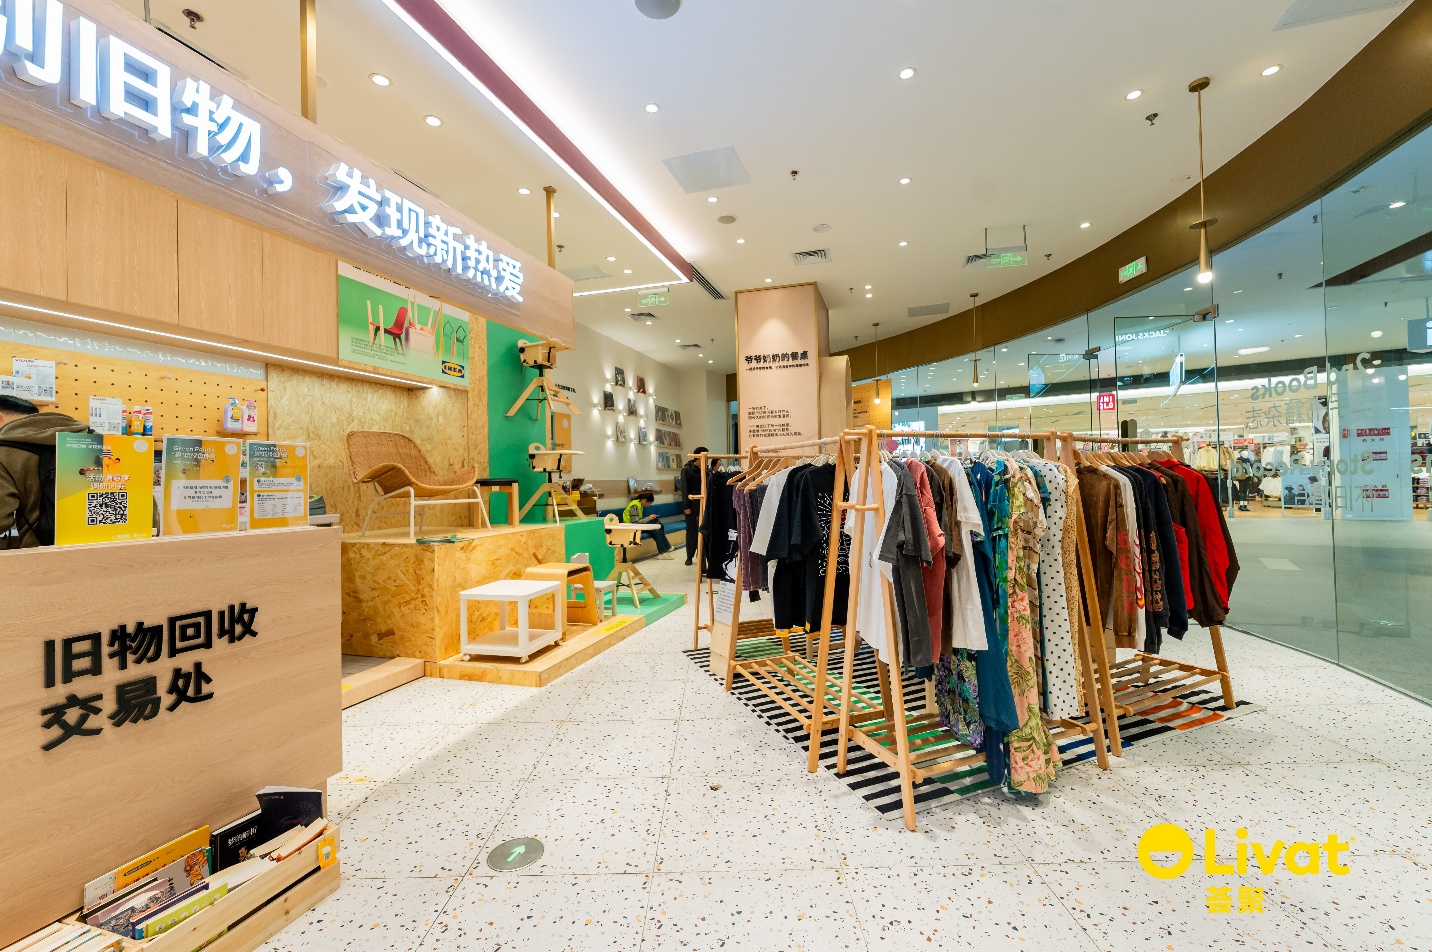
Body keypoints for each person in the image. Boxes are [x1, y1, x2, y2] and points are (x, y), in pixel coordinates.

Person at [0, 396, 88, 549]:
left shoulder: (4, 453)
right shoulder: (96, 440)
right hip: (110, 550)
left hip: (38, 556)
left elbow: (2, 521)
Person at [622, 490, 673, 559]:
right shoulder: (634, 506)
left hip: (637, 527)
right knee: (656, 524)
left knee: (656, 529)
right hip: (631, 528)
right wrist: (648, 518)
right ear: (645, 500)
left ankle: (663, 552)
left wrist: (649, 518)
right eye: (649, 503)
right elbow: (635, 522)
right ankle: (666, 548)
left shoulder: (639, 504)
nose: (648, 505)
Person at [679, 446, 708, 565]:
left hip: (703, 504)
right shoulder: (687, 470)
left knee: (704, 531)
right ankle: (689, 556)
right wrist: (686, 506)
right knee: (691, 531)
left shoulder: (706, 470)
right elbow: (684, 489)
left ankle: (702, 556)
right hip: (691, 505)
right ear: (698, 457)